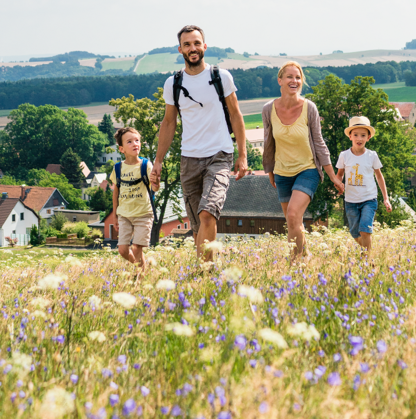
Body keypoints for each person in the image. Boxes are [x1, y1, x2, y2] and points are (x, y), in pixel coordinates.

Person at [151, 25, 248, 262]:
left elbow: (236, 115)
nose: (192, 48)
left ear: (204, 46)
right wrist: (158, 160)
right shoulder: (172, 83)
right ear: (180, 50)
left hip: (219, 155)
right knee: (197, 225)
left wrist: (242, 154)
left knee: (208, 213)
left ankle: (207, 272)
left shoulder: (220, 77)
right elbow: (168, 123)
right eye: (187, 44)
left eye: (196, 43)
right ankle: (201, 271)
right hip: (189, 159)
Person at [262, 61, 344, 261]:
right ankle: (305, 255)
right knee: (292, 222)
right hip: (282, 172)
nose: (294, 81)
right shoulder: (268, 109)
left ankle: (296, 263)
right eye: (289, 77)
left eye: (298, 77)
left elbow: (319, 142)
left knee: (292, 214)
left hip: (307, 170)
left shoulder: (309, 108)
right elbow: (268, 142)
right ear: (280, 80)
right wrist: (270, 171)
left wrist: (333, 176)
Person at [335, 116, 392, 253]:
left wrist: (386, 198)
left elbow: (379, 176)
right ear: (350, 136)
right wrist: (338, 186)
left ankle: (368, 259)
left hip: (369, 199)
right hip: (350, 201)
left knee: (365, 229)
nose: (359, 139)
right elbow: (339, 174)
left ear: (368, 137)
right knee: (355, 233)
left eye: (363, 135)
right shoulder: (344, 155)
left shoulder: (372, 156)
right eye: (356, 135)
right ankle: (369, 250)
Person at [111, 127, 158, 271]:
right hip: (124, 215)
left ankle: (140, 277)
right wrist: (115, 215)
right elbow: (115, 192)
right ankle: (141, 267)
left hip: (143, 214)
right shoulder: (118, 168)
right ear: (121, 149)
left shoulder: (146, 165)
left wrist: (156, 182)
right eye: (129, 142)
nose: (135, 144)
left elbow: (154, 189)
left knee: (137, 247)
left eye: (137, 140)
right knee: (123, 250)